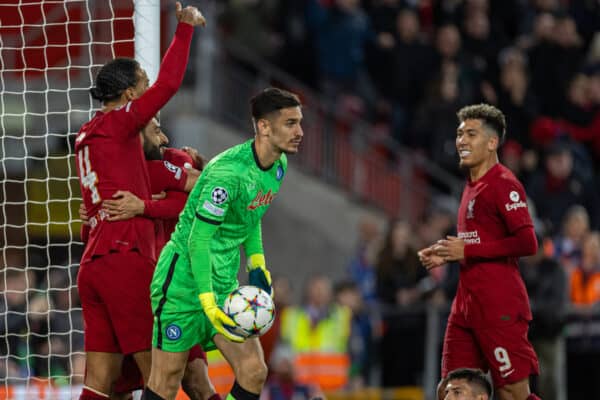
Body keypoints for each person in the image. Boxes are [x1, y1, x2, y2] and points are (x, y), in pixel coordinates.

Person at [74, 4, 205, 400]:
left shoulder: (85, 135)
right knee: (161, 374)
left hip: (93, 265)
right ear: (130, 95)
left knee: (101, 381)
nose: (151, 93)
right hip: (126, 256)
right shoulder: (119, 124)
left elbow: (94, 203)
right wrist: (183, 30)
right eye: (143, 84)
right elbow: (168, 85)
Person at [142, 87, 304, 400]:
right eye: (290, 124)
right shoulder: (226, 175)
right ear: (264, 126)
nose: (299, 132)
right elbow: (197, 242)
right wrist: (206, 301)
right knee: (166, 380)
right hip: (183, 284)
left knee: (254, 370)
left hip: (223, 283)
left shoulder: (278, 165)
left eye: (299, 123)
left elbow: (252, 214)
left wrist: (256, 262)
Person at [79, 117, 219, 400]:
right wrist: (92, 216)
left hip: (172, 287)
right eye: (157, 131)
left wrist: (144, 205)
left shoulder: (172, 160)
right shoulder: (117, 177)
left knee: (185, 378)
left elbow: (197, 191)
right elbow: (90, 233)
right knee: (117, 385)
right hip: (132, 282)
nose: (166, 139)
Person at [418, 104, 541, 400]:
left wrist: (468, 249)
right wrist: (447, 252)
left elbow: (528, 243)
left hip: (498, 306)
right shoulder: (471, 186)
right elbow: (475, 243)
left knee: (512, 392)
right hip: (466, 305)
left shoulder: (504, 184)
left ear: (491, 142)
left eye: (471, 134)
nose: (461, 141)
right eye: (459, 134)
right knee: (454, 389)